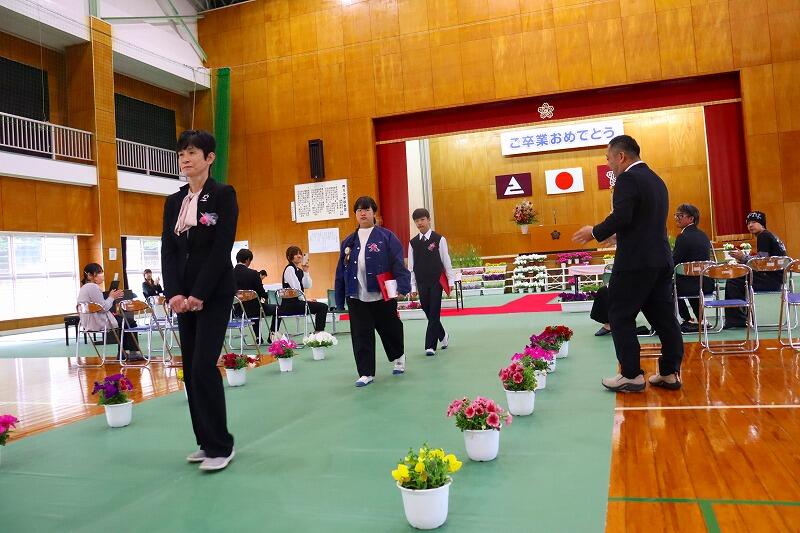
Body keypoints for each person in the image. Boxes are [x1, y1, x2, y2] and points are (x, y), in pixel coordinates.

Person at [573, 135, 684, 392]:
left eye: (608, 158)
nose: (608, 164)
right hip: (660, 260)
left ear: (621, 156)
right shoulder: (656, 180)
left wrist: (595, 231)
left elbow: (621, 216)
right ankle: (669, 372)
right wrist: (618, 236)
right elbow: (643, 221)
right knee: (664, 319)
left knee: (620, 315)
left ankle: (631, 375)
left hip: (635, 263)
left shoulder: (627, 179)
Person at [161, 130, 237, 471]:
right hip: (183, 298)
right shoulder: (173, 202)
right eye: (181, 154)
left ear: (209, 158)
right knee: (190, 370)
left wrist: (199, 294)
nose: (185, 159)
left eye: (192, 152)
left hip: (214, 294)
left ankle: (222, 445)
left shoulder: (223, 194)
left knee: (204, 365)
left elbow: (222, 249)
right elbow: (168, 250)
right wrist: (175, 293)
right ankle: (205, 442)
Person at [335, 196, 411, 387]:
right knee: (361, 335)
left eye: (367, 209)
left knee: (391, 329)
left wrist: (403, 286)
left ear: (373, 213)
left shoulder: (387, 237)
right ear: (355, 214)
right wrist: (339, 298)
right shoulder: (348, 242)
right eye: (359, 210)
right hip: (356, 296)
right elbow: (340, 271)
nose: (363, 213)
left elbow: (397, 263)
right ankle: (366, 372)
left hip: (381, 294)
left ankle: (399, 357)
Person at [723, 211, 788, 328]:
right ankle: (742, 317)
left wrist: (742, 257)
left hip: (770, 280)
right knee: (740, 279)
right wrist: (746, 259)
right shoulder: (770, 235)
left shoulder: (763, 236)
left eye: (754, 222)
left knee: (733, 280)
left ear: (762, 224)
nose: (750, 225)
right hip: (778, 280)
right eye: (748, 223)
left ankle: (738, 320)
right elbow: (764, 260)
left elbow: (760, 263)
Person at [408, 208, 454, 356]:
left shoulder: (439, 239)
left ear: (429, 220)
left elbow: (446, 260)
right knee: (428, 311)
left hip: (436, 281)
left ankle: (430, 345)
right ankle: (443, 335)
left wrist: (451, 280)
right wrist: (413, 286)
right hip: (421, 281)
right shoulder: (413, 243)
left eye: (422, 219)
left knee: (434, 311)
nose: (420, 223)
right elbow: (411, 267)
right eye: (417, 221)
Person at [77, 263, 142, 360]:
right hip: (98, 321)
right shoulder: (93, 287)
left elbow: (99, 306)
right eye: (98, 272)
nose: (101, 275)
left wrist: (111, 297)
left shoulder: (84, 287)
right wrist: (112, 297)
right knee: (129, 322)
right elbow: (103, 308)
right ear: (89, 275)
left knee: (124, 321)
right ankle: (130, 352)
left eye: (101, 272)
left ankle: (123, 353)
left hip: (87, 321)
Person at [671, 204, 714, 332]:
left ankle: (687, 319)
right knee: (689, 280)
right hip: (706, 283)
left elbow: (675, 262)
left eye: (680, 215)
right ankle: (702, 319)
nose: (677, 218)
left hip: (690, 285)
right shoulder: (704, 235)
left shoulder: (683, 237)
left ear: (691, 218)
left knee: (667, 287)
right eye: (676, 215)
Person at [279, 246, 328, 333]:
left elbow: (307, 285)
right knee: (323, 307)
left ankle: (318, 331)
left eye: (300, 254)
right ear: (289, 257)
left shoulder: (299, 270)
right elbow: (296, 289)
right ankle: (319, 332)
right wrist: (306, 300)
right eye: (296, 254)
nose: (299, 256)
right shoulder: (290, 268)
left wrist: (306, 271)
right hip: (290, 305)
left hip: (297, 303)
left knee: (321, 306)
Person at [233, 248, 278, 340]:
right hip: (254, 309)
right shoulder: (253, 273)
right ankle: (272, 336)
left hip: (237, 311)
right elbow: (261, 292)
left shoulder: (229, 275)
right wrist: (266, 296)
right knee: (277, 309)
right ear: (247, 260)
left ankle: (258, 337)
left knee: (254, 306)